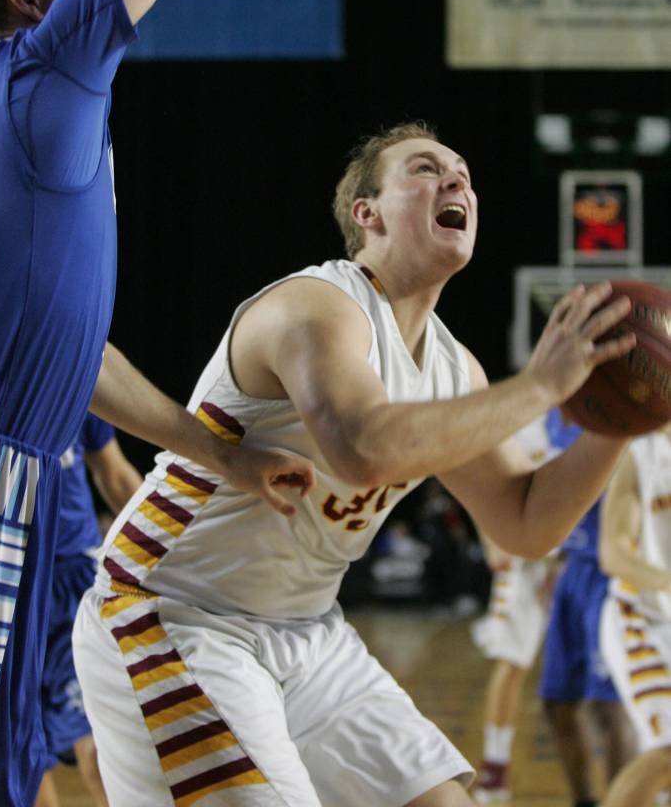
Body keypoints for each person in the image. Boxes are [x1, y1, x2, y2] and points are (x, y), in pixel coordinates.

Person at [73, 122, 638, 806]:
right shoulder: (316, 304)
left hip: (307, 630)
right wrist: (540, 386)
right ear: (365, 215)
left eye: (461, 172)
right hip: (173, 611)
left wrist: (623, 419)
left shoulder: (453, 367)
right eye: (426, 170)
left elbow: (524, 521)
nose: (456, 180)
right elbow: (361, 447)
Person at [0, 0, 313, 804]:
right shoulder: (46, 78)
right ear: (28, 1)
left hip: (31, 464)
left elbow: (68, 354)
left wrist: (217, 450)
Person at [35, 413, 143, 807]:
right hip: (4, 592)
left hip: (74, 580)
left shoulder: (70, 367)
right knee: (20, 769)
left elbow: (113, 473)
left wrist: (172, 551)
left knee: (103, 750)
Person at [471, 409, 564, 803]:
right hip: (527, 563)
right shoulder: (529, 417)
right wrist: (491, 537)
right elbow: (479, 476)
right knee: (513, 662)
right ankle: (496, 768)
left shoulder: (614, 414)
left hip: (586, 562)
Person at [540, 427, 635, 807]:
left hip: (615, 574)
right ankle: (585, 801)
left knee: (608, 704)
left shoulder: (631, 396)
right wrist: (557, 563)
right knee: (557, 702)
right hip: (574, 567)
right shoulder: (552, 404)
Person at [599, 425, 671, 807]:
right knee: (668, 753)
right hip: (641, 620)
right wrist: (663, 580)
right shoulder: (642, 451)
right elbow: (613, 552)